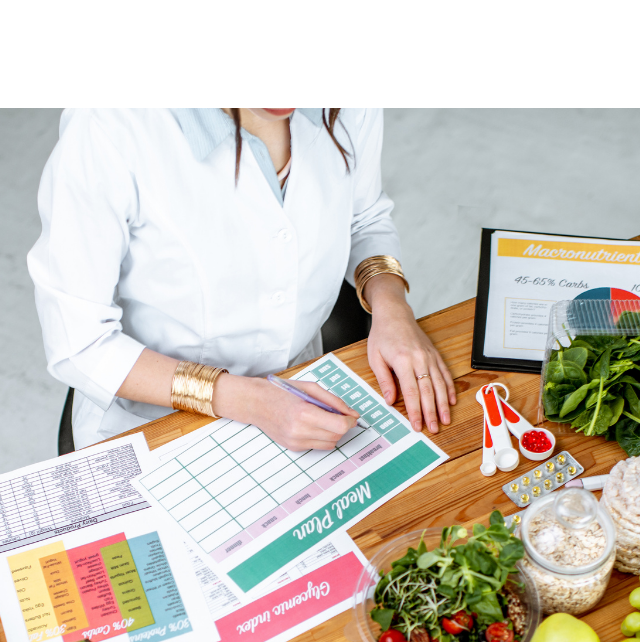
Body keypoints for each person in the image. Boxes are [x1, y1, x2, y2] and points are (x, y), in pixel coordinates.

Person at [28, 108, 454, 451]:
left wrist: (392, 307)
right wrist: (251, 401)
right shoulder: (109, 128)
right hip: (154, 422)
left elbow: (364, 217)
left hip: (299, 388)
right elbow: (79, 342)